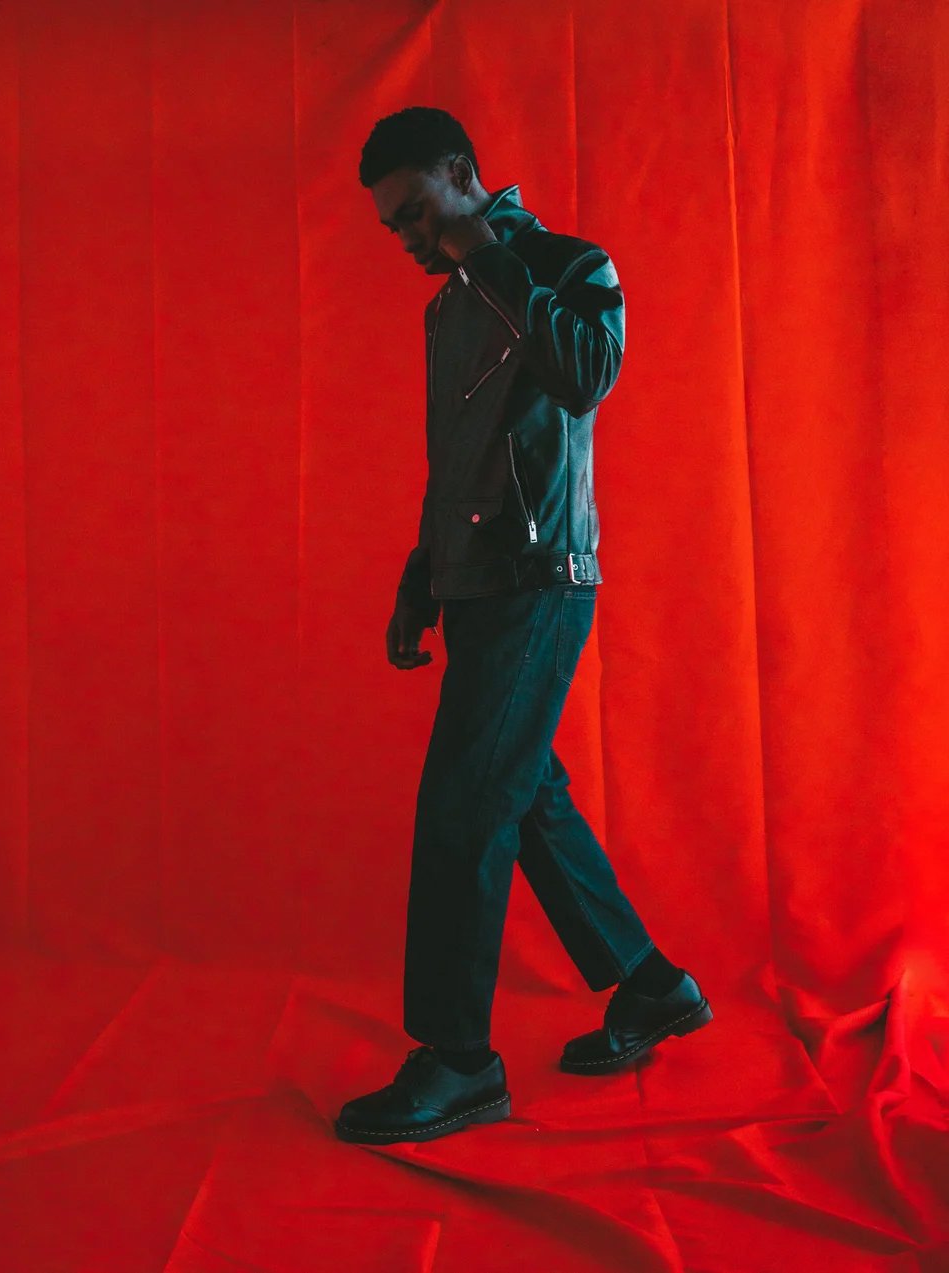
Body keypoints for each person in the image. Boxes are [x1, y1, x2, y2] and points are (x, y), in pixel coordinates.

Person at [335, 107, 712, 1146]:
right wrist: (420, 575)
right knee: (524, 792)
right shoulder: (443, 304)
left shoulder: (567, 264)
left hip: (542, 578)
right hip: (471, 583)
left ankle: (458, 1060)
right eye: (394, 226)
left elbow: (584, 374)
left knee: (465, 803)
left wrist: (487, 255)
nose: (409, 237)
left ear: (462, 175)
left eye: (418, 211)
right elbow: (452, 455)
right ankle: (650, 986)